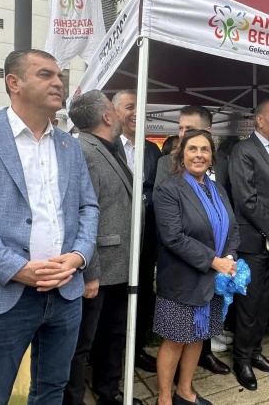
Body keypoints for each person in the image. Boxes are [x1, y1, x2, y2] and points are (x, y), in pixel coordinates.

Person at [0, 49, 99, 404]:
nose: (58, 82)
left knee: (52, 389)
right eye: (45, 74)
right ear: (14, 82)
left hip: (65, 290)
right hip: (2, 293)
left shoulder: (68, 146)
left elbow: (88, 206)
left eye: (60, 76)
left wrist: (78, 256)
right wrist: (16, 268)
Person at [63, 90, 142, 405]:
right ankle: (73, 399)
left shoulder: (107, 148)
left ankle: (108, 391)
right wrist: (89, 272)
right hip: (98, 270)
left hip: (118, 264)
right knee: (82, 343)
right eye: (115, 108)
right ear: (108, 116)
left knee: (112, 334)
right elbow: (80, 217)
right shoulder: (84, 151)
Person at [153, 130, 239, 405]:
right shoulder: (169, 189)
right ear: (181, 155)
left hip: (211, 280)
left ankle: (185, 391)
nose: (199, 155)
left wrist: (229, 257)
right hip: (182, 280)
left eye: (205, 149)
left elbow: (233, 228)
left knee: (197, 337)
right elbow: (173, 237)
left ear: (212, 156)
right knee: (175, 339)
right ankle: (164, 399)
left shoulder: (218, 190)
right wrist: (214, 260)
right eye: (192, 149)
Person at [228, 99, 269, 390]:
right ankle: (241, 359)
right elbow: (246, 199)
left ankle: (255, 352)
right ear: (259, 120)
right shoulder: (243, 151)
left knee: (265, 302)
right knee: (248, 304)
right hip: (253, 243)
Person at [112, 89, 162, 373]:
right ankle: (110, 356)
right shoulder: (107, 147)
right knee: (115, 299)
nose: (135, 113)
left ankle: (137, 349)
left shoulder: (152, 150)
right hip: (116, 240)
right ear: (115, 112)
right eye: (130, 107)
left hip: (146, 239)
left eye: (140, 108)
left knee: (143, 294)